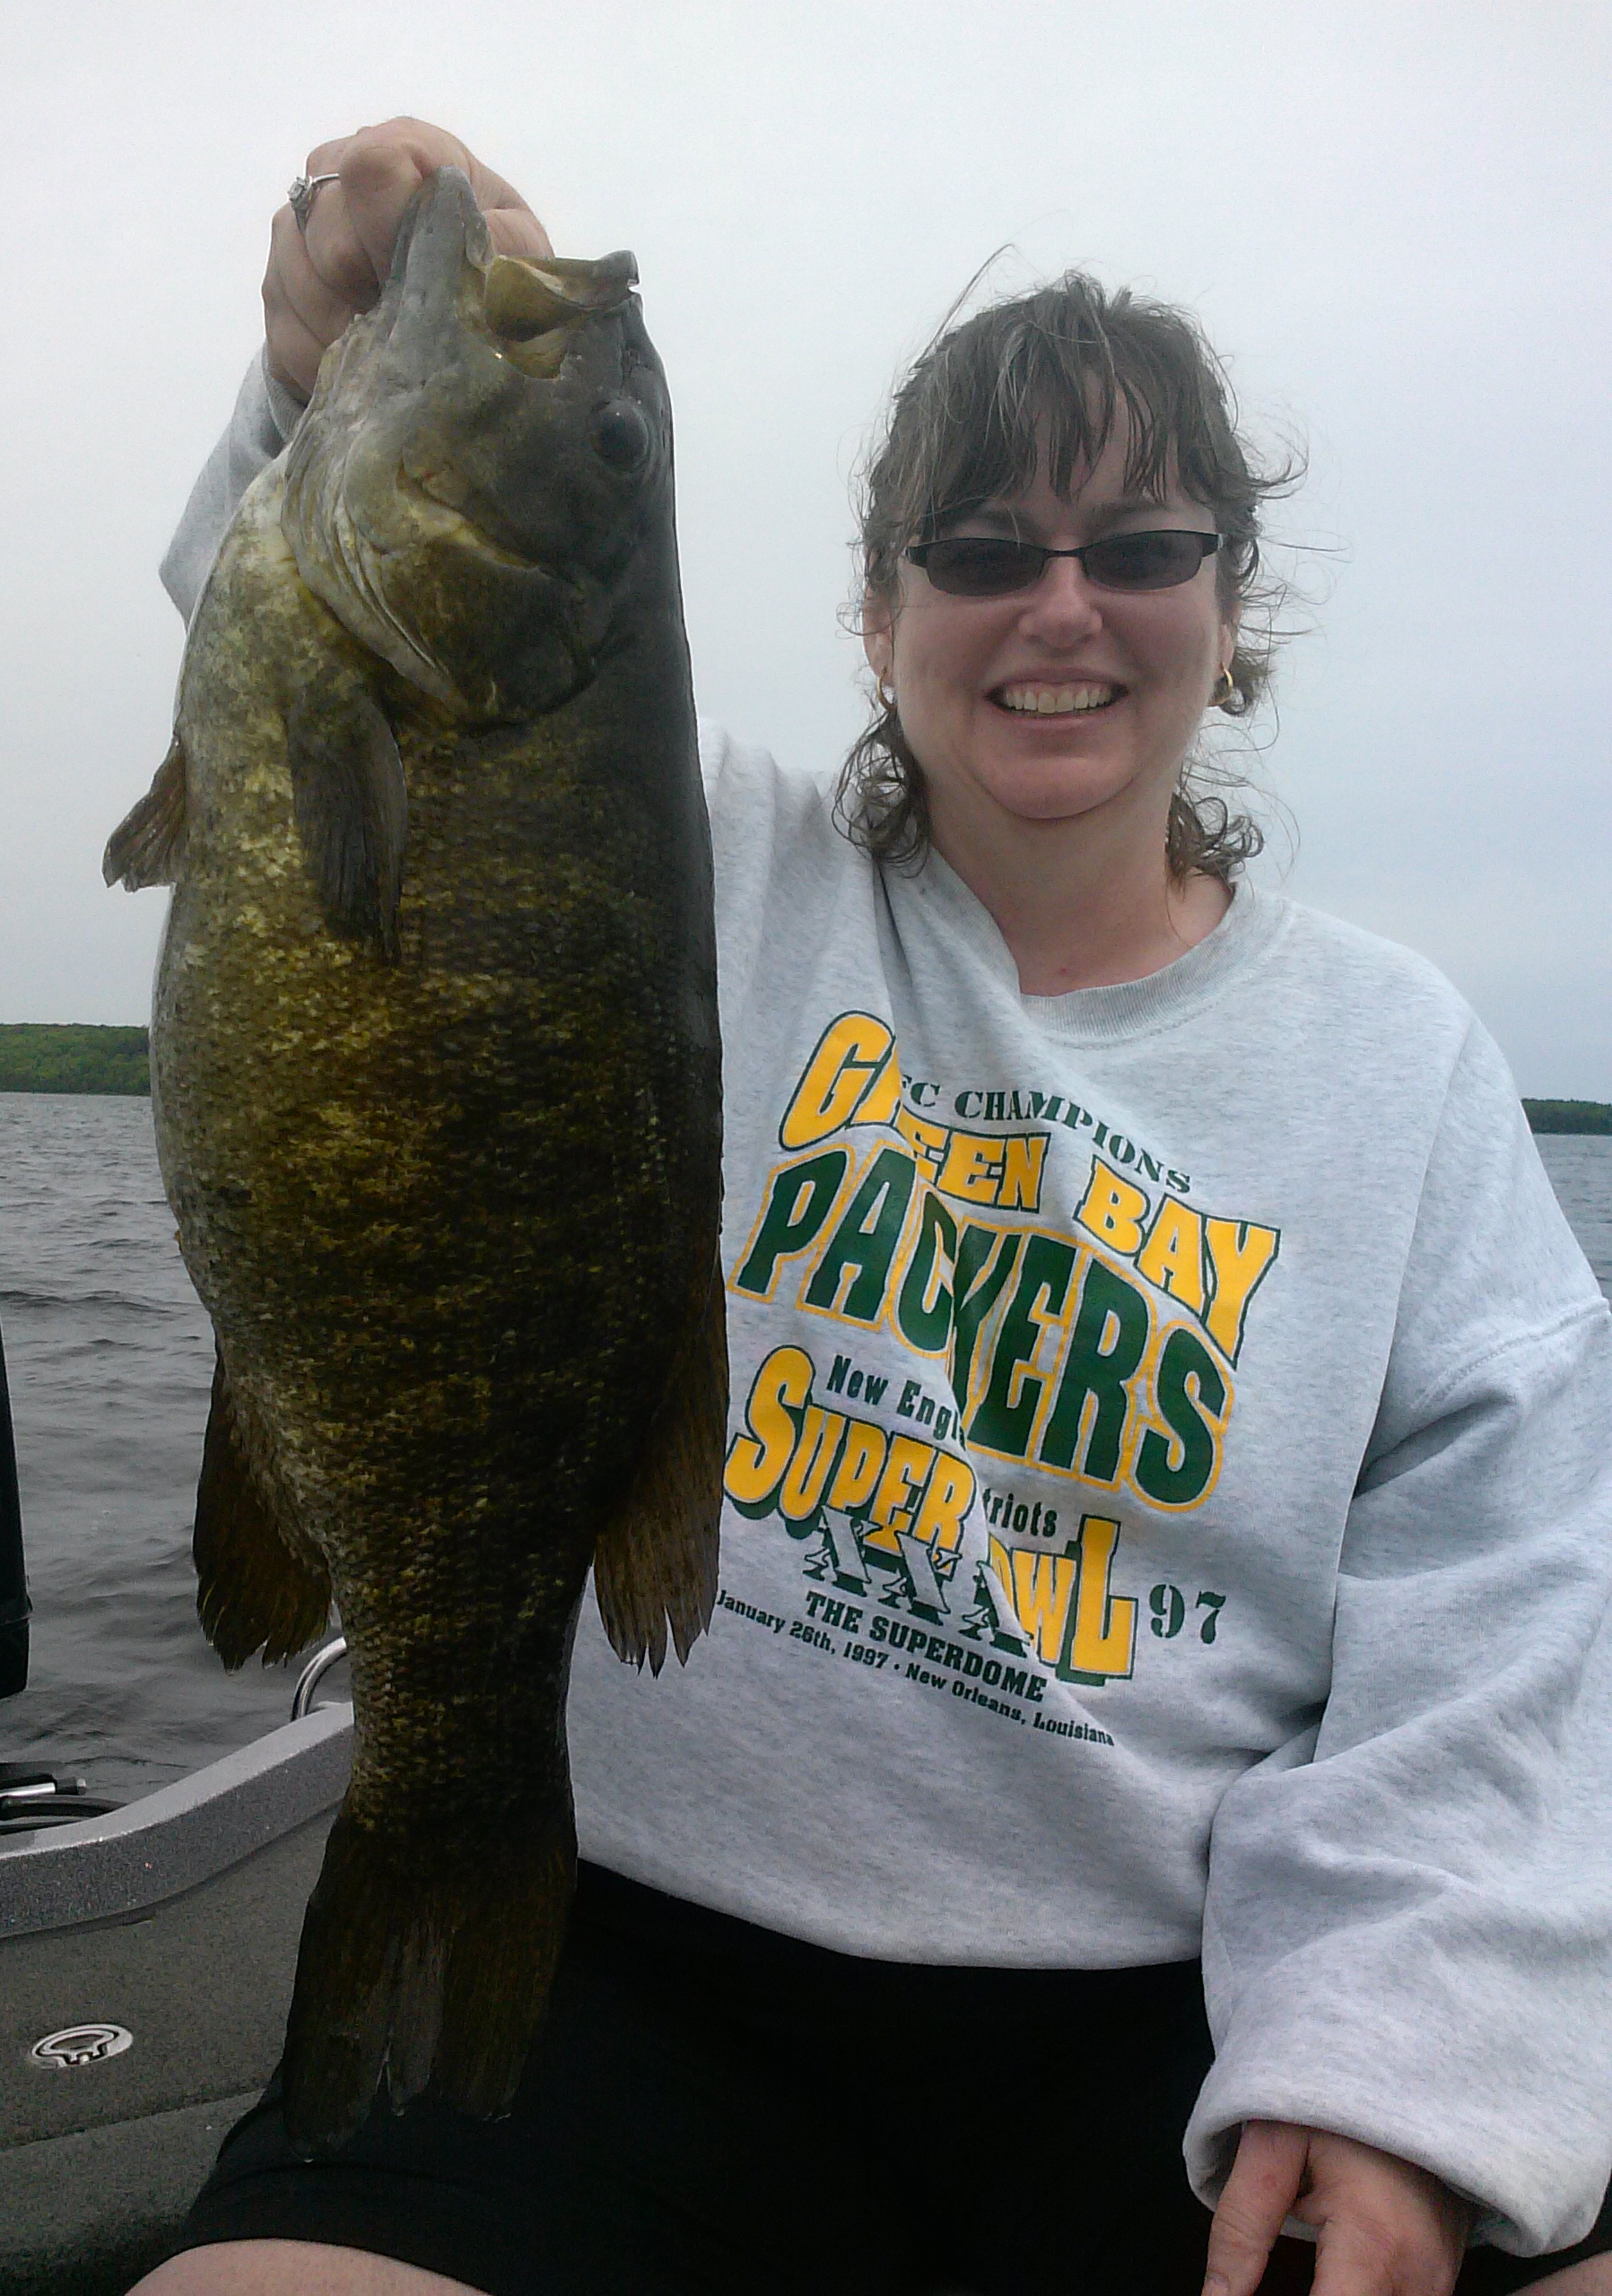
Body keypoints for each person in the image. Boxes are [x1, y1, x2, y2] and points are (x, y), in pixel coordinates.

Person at [132, 119, 1612, 2296]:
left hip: (1169, 2016)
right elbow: (297, 688)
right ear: (878, 602)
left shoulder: (1400, 1065)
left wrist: (1399, 2051)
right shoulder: (683, 848)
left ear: (1231, 604)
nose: (1062, 601)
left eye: (1143, 541)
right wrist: (323, 356)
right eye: (984, 541)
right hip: (626, 1959)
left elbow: (1500, 1617)